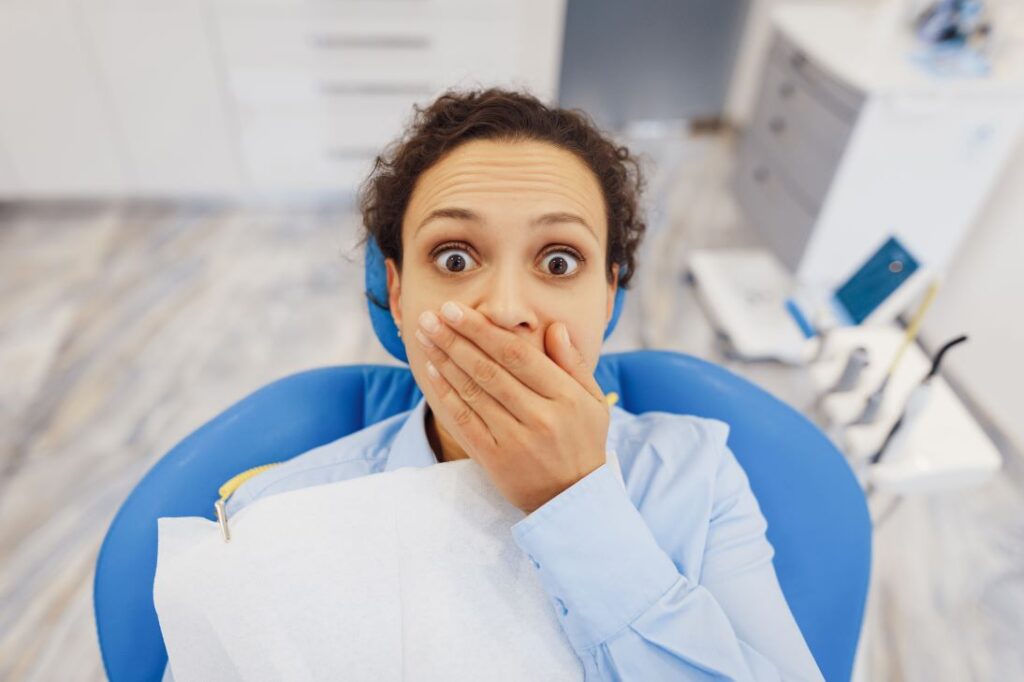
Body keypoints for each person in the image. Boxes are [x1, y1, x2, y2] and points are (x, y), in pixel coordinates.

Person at [161, 87, 823, 681]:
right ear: (396, 293)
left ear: (608, 294)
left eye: (559, 260)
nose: (505, 308)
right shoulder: (285, 515)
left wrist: (576, 503)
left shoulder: (695, 480)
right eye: (454, 257)